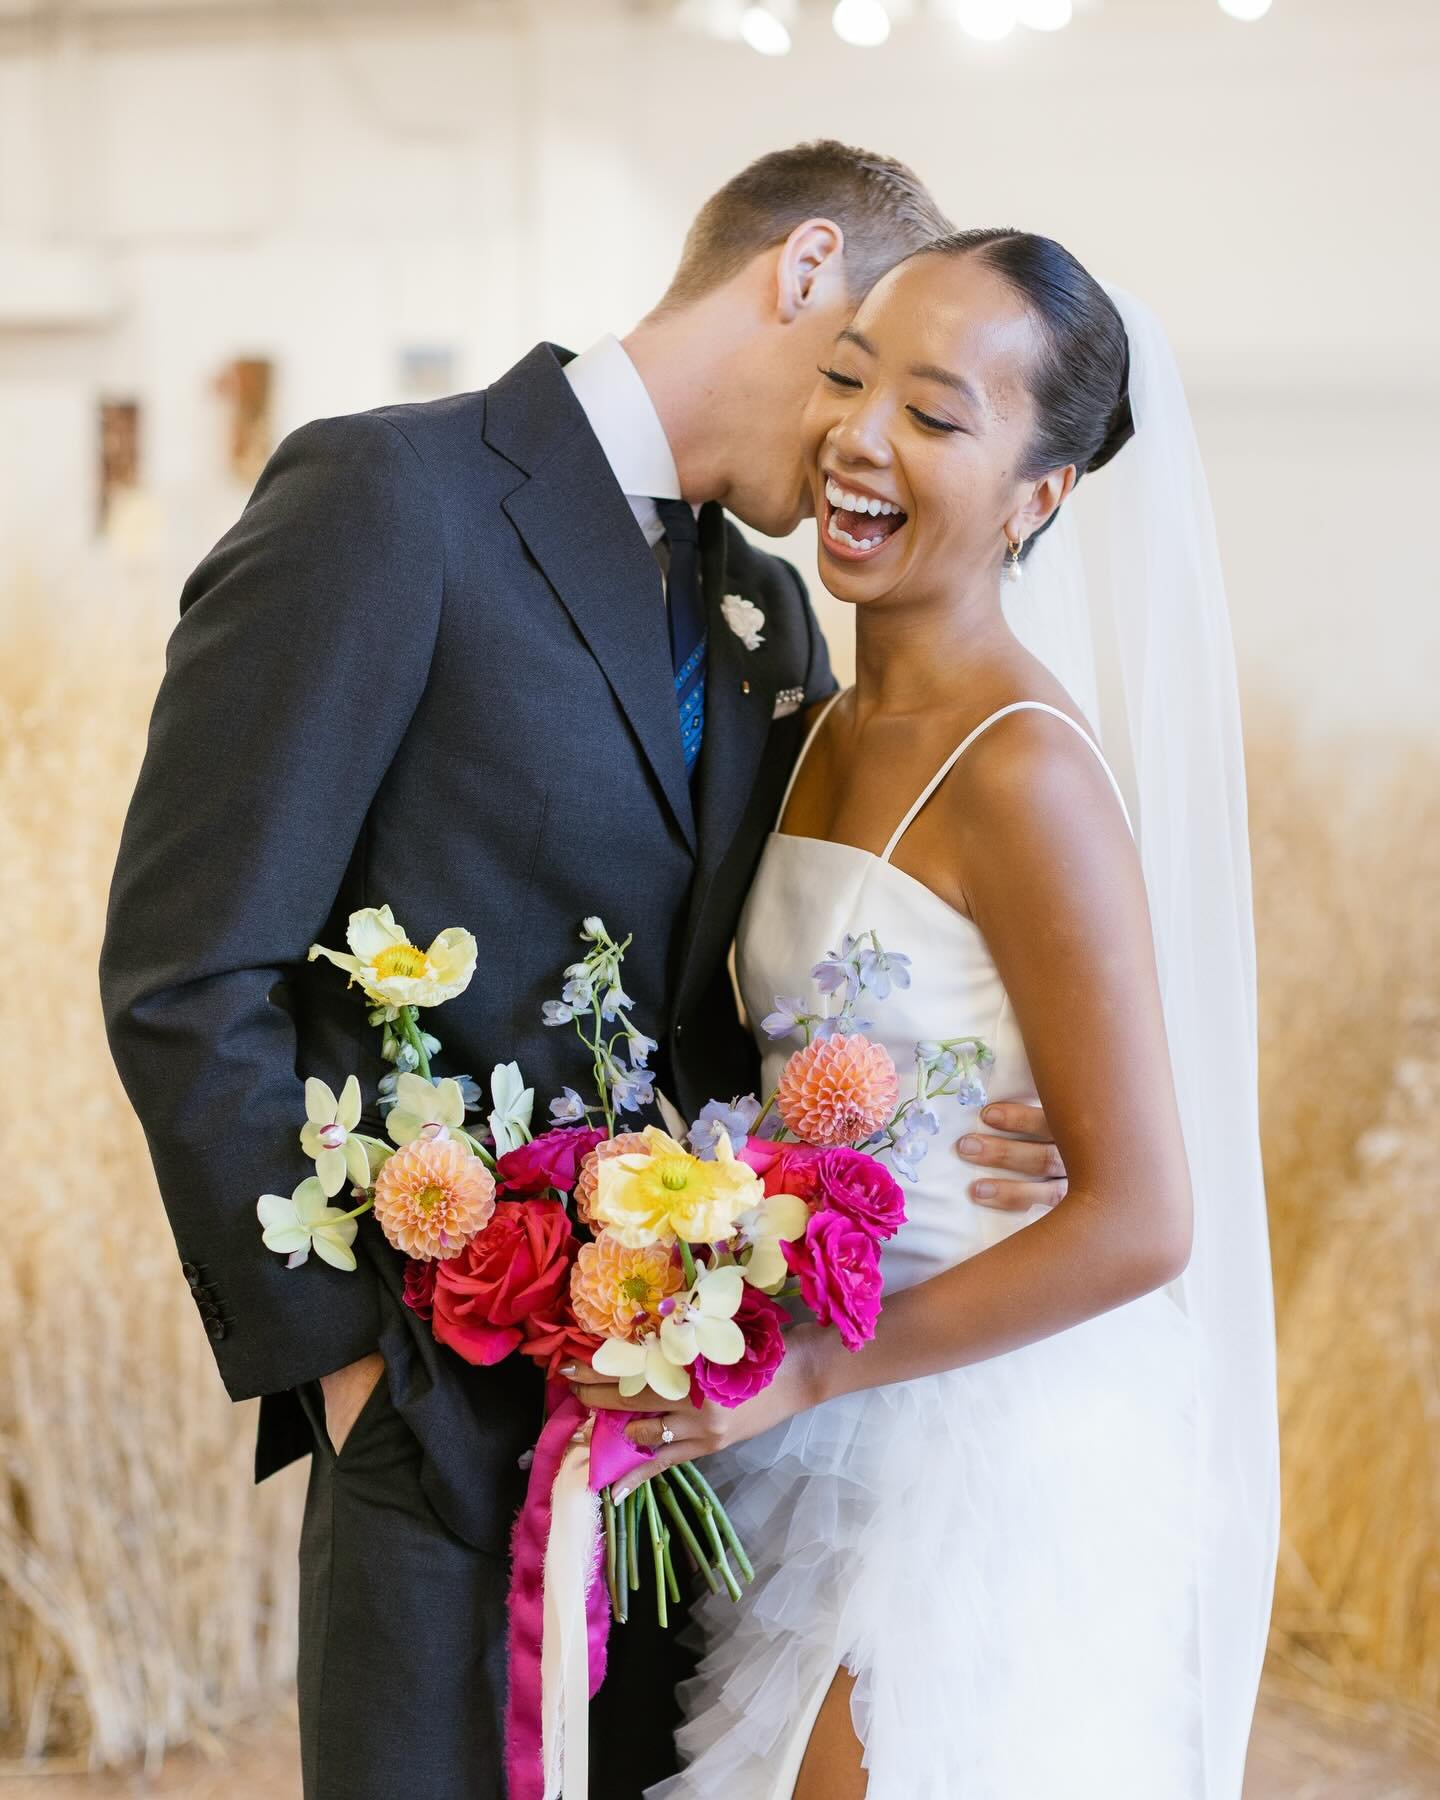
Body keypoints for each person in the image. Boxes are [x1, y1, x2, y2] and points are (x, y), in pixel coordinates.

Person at [99, 149, 1077, 1800]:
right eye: (867, 375)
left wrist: (987, 1093)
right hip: (433, 1425)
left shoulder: (766, 611)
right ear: (802, 270)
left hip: (698, 1437)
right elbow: (191, 967)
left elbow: (770, 984)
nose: (864, 447)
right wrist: (349, 1371)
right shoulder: (387, 499)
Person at [573, 232, 1280, 1798]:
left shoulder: (1024, 769)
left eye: (940, 416)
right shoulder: (815, 720)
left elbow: (1146, 1217)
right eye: (848, 377)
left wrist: (817, 1368)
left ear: (1041, 496)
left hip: (973, 1436)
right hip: (812, 1406)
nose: (863, 437)